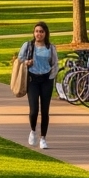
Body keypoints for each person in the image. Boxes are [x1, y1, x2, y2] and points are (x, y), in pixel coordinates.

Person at [19, 21, 58, 149]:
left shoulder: (50, 47)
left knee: (45, 110)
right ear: (33, 33)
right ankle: (33, 130)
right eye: (36, 31)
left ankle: (43, 138)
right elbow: (19, 60)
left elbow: (55, 64)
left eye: (41, 31)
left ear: (45, 33)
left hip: (46, 80)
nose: (38, 34)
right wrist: (26, 63)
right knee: (34, 110)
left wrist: (50, 77)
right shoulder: (28, 45)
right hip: (32, 80)